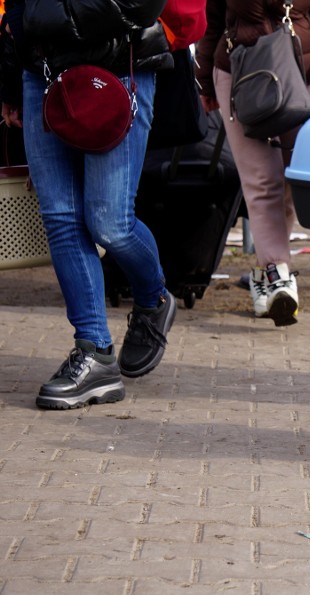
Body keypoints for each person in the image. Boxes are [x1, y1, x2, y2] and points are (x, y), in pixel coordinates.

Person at [0, 0, 178, 410]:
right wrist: (11, 77)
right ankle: (94, 353)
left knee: (109, 222)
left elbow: (142, 4)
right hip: (40, 72)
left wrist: (46, 17)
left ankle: (154, 298)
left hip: (118, 64)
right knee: (61, 218)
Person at [195, 0, 310, 327]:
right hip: (241, 71)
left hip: (301, 69)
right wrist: (204, 77)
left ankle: (268, 272)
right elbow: (212, 14)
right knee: (262, 180)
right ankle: (276, 273)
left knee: (294, 178)